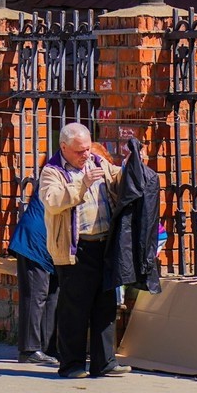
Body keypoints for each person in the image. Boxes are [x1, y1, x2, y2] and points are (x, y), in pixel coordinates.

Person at [39, 122, 130, 378]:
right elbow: (53, 201)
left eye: (88, 149)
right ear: (64, 147)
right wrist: (82, 184)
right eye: (79, 152)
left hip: (103, 245)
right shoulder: (52, 172)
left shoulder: (97, 162)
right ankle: (71, 365)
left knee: (105, 306)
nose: (85, 155)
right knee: (74, 310)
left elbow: (117, 178)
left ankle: (105, 362)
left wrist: (131, 165)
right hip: (75, 250)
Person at [8, 183, 59, 365]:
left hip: (50, 244)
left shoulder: (70, 171)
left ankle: (48, 348)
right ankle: (29, 350)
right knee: (35, 296)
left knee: (52, 295)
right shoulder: (58, 173)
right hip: (34, 242)